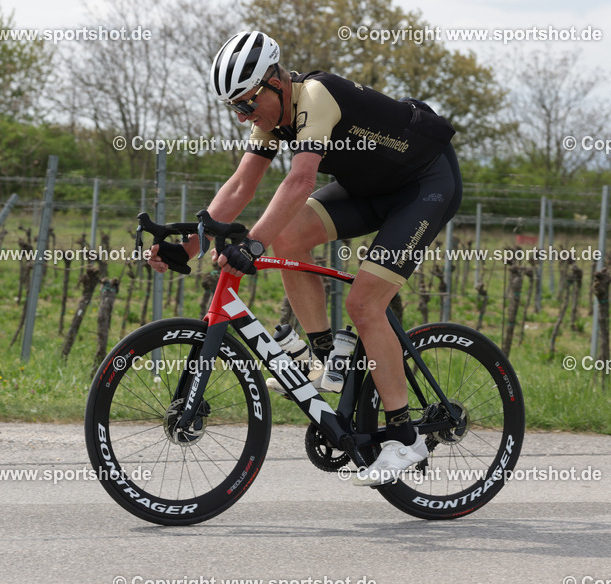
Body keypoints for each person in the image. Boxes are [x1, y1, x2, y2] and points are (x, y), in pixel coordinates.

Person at [146, 30, 462, 486]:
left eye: (247, 103)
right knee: (289, 238)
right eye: (235, 107)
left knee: (365, 304)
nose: (243, 116)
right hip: (372, 190)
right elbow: (241, 186)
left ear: (277, 81)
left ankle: (404, 436)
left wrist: (251, 243)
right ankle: (324, 352)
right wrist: (188, 248)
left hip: (425, 185)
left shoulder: (316, 96)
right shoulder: (269, 119)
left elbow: (299, 181)